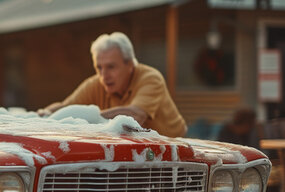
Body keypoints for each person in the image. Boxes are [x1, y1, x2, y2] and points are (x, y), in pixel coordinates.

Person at [39, 32, 187, 138]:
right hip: (140, 149)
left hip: (177, 146)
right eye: (99, 67)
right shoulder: (96, 83)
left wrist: (87, 116)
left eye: (111, 67)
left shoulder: (150, 78)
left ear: (129, 64)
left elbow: (136, 116)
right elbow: (65, 107)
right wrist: (43, 115)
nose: (104, 75)